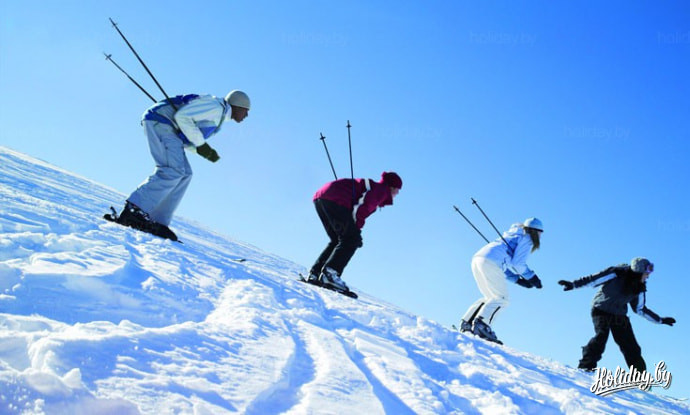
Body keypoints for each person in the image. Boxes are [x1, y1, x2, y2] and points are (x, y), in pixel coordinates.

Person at [112, 90, 250, 241]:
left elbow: (187, 133)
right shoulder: (216, 107)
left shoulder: (219, 114)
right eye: (246, 110)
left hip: (166, 127)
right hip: (161, 122)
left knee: (185, 174)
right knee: (173, 170)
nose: (246, 115)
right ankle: (134, 210)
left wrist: (204, 151)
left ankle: (156, 219)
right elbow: (182, 117)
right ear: (238, 105)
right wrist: (202, 146)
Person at [558, 257, 675, 372]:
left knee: (630, 345)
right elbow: (593, 279)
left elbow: (640, 309)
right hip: (601, 309)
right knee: (601, 336)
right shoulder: (616, 273)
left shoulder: (639, 287)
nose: (648, 276)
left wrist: (660, 320)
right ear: (639, 272)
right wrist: (573, 284)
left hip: (619, 314)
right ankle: (586, 367)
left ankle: (640, 376)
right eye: (646, 273)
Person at [306, 172, 403, 293]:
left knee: (337, 240)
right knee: (351, 239)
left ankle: (315, 273)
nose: (397, 194)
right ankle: (330, 273)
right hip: (335, 198)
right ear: (391, 187)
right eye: (397, 190)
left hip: (322, 197)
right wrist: (356, 232)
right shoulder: (381, 191)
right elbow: (361, 209)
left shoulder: (375, 187)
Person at [459, 218, 544, 344]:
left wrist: (517, 280)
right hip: (490, 262)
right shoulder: (527, 238)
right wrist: (532, 277)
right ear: (536, 231)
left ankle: (467, 323)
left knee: (490, 297)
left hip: (478, 259)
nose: (540, 236)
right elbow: (518, 263)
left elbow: (501, 263)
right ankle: (482, 326)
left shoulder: (512, 235)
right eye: (540, 233)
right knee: (502, 299)